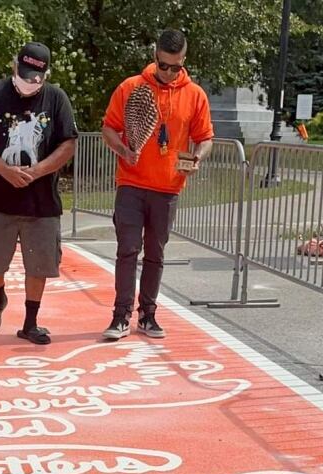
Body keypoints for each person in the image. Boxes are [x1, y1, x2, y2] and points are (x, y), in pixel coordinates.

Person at [101, 29, 214, 340]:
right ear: (155, 57)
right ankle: (120, 315)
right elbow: (109, 128)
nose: (168, 72)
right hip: (131, 183)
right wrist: (124, 150)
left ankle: (147, 315)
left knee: (155, 253)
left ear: (184, 62)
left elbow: (205, 137)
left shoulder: (195, 95)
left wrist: (197, 158)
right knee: (127, 250)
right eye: (163, 65)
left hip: (168, 187)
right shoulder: (131, 87)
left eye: (175, 67)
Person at [0, 41, 78, 345]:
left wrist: (39, 170)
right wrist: (4, 170)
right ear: (13, 65)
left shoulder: (56, 99)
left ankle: (31, 321)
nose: (29, 82)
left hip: (40, 202)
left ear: (45, 75)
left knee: (40, 262)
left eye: (36, 78)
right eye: (24, 74)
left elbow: (68, 143)